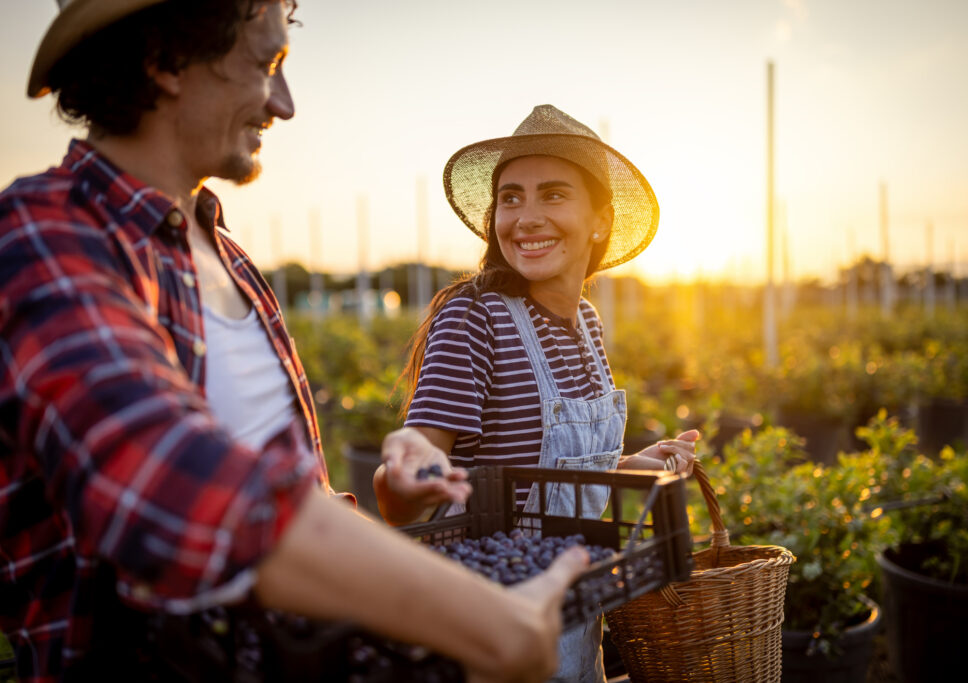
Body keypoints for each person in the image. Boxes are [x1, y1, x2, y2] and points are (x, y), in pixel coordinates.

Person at [0, 3, 590, 681]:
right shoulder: (42, 235)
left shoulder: (234, 264)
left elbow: (304, 498)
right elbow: (168, 482)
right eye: (266, 64)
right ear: (164, 62)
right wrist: (485, 619)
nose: (284, 104)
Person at [373, 105, 700, 682]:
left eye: (552, 195)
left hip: (572, 616)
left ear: (600, 219)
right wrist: (404, 476)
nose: (525, 217)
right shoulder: (476, 317)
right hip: (486, 622)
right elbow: (410, 481)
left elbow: (544, 477)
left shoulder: (589, 324)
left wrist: (628, 466)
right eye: (510, 198)